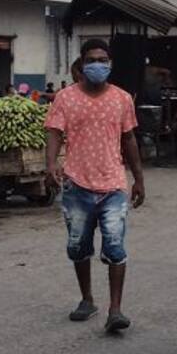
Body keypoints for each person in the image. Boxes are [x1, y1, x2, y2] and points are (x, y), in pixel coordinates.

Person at [45, 39, 145, 333]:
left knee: (115, 246)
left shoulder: (122, 99)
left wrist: (138, 178)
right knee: (78, 246)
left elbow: (129, 139)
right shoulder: (65, 98)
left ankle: (115, 309)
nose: (97, 65)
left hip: (113, 183)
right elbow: (54, 132)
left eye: (103, 59)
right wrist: (51, 164)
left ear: (110, 64)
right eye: (92, 60)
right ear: (82, 64)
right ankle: (87, 299)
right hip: (76, 184)